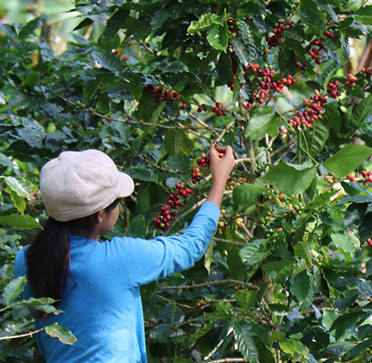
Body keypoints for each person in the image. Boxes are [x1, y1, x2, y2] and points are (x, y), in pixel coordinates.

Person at [14, 146, 235, 363]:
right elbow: (192, 245)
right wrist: (219, 180)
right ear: (100, 214)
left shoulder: (25, 261)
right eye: (117, 202)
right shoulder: (121, 258)